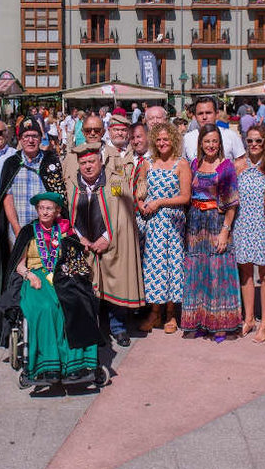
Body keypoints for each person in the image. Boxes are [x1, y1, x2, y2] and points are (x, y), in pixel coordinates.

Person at [6, 193, 103, 386]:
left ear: (57, 211)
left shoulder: (65, 231)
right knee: (45, 308)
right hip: (36, 276)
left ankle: (76, 365)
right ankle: (47, 366)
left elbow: (75, 261)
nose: (44, 212)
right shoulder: (28, 232)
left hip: (62, 275)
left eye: (49, 208)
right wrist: (30, 275)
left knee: (76, 304)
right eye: (41, 208)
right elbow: (19, 265)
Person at [63, 142, 146, 347]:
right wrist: (78, 237)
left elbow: (123, 213)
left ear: (101, 161)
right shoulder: (72, 184)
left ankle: (118, 328)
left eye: (92, 161)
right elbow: (67, 215)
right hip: (83, 245)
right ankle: (92, 329)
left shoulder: (115, 182)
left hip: (111, 242)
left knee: (116, 283)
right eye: (83, 163)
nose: (88, 166)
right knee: (86, 289)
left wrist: (107, 237)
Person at [0, 119, 66, 340]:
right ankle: (15, 323)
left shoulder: (51, 161)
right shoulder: (11, 163)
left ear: (40, 138)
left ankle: (47, 322)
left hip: (47, 231)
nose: (31, 140)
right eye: (26, 136)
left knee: (47, 272)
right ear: (19, 139)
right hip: (18, 230)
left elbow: (59, 197)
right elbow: (7, 198)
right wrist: (17, 229)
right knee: (19, 275)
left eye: (35, 136)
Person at [183, 124, 240, 341]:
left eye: (214, 141)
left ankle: (220, 323)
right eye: (207, 141)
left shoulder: (226, 167)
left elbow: (232, 203)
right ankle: (200, 321)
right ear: (200, 144)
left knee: (217, 271)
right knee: (199, 270)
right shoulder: (194, 164)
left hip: (217, 221)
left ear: (220, 143)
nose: (211, 145)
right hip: (196, 223)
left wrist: (225, 231)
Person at [137, 123, 191, 334]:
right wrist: (141, 204)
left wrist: (159, 202)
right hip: (151, 224)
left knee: (172, 267)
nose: (162, 143)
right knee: (154, 268)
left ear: (173, 141)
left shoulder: (181, 164)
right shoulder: (147, 163)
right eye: (158, 139)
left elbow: (185, 197)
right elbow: (140, 192)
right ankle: (154, 312)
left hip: (172, 223)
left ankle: (171, 314)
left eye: (166, 139)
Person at [233, 125, 265, 343]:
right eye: (250, 141)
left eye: (258, 140)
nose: (254, 145)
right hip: (242, 224)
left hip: (264, 225)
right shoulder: (238, 165)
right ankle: (249, 318)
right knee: (246, 273)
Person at [182, 97, 246, 163]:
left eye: (208, 113)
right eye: (200, 113)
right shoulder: (187, 138)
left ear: (217, 114)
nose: (204, 117)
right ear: (195, 116)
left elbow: (241, 163)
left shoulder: (231, 136)